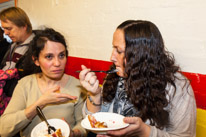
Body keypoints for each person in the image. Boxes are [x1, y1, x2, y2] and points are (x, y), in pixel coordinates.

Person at [79, 20, 196, 137]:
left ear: (141, 55)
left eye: (119, 51)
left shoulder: (177, 87)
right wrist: (94, 94)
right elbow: (92, 121)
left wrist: (144, 131)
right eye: (113, 48)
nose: (111, 57)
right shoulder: (115, 74)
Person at [0, 28, 87, 137]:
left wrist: (73, 133)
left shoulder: (77, 85)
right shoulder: (25, 84)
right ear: (36, 60)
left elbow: (82, 125)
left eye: (61, 55)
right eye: (49, 57)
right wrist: (40, 103)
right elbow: (3, 129)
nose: (57, 63)